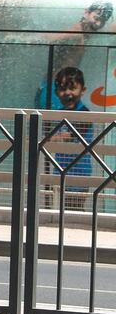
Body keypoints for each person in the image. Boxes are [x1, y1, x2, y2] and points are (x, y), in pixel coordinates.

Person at [50, 67, 93, 209]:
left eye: (72, 88)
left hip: (78, 176)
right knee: (61, 211)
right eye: (62, 88)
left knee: (74, 210)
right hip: (59, 173)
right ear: (56, 92)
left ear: (83, 90)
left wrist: (49, 140)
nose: (67, 93)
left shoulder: (84, 113)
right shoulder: (58, 113)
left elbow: (70, 135)